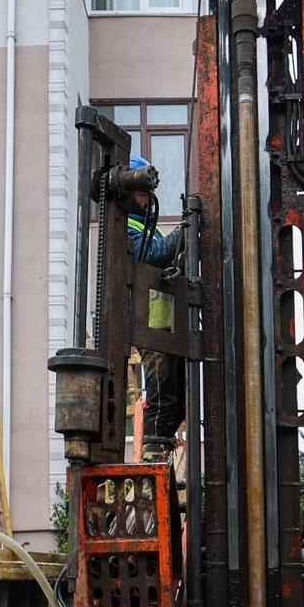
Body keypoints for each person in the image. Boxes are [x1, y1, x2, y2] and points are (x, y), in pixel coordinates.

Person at [125, 156, 187, 463]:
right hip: (150, 324)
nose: (149, 201)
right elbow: (156, 254)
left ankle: (161, 447)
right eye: (143, 194)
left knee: (178, 398)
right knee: (161, 392)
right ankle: (153, 451)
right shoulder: (125, 224)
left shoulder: (146, 227)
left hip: (163, 323)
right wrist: (185, 231)